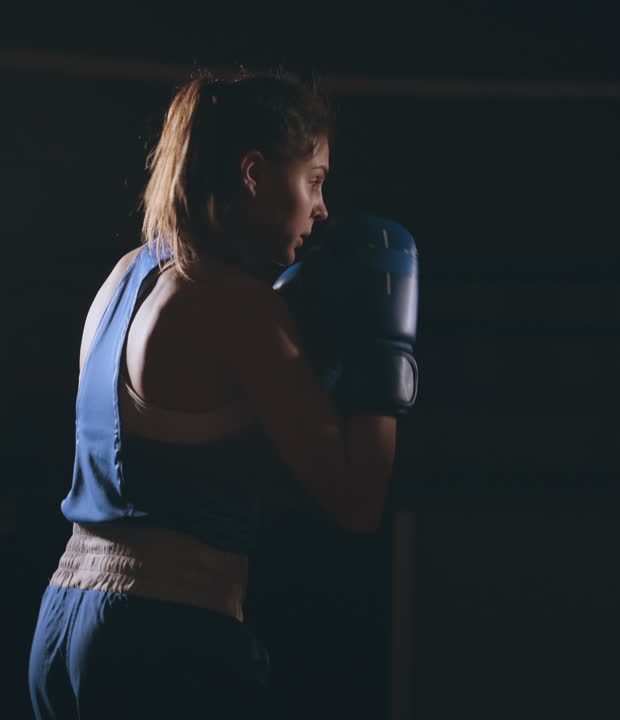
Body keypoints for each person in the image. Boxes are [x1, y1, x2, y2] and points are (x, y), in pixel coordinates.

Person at [27, 70, 419, 719]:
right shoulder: (240, 308)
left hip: (63, 623)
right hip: (163, 630)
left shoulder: (126, 275)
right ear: (254, 173)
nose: (322, 207)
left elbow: (182, 473)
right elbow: (358, 502)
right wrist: (385, 356)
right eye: (313, 180)